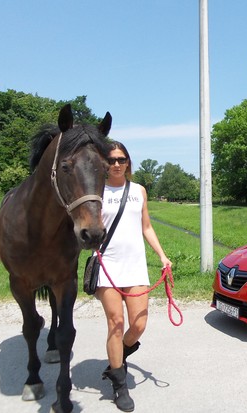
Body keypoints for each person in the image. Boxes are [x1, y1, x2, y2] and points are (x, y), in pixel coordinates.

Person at [95, 141, 172, 412]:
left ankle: (120, 356)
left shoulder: (139, 190)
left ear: (128, 162)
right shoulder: (96, 191)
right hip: (107, 266)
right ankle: (119, 385)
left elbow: (146, 226)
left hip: (135, 266)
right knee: (116, 322)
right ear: (104, 163)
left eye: (121, 159)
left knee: (138, 325)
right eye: (112, 159)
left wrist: (162, 256)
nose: (116, 163)